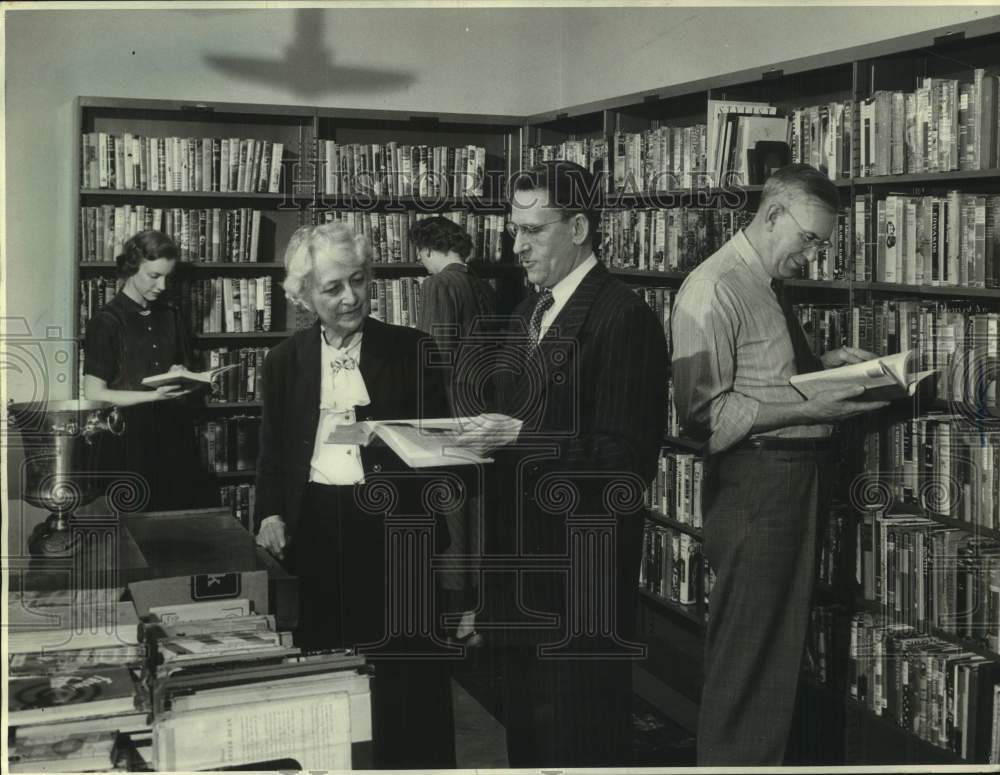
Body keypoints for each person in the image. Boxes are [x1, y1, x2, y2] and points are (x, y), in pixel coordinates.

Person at [670, 163, 888, 765]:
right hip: (756, 485)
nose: (813, 256)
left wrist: (825, 362)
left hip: (786, 481)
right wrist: (809, 400)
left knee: (773, 650)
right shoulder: (714, 287)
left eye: (822, 244)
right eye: (809, 240)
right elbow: (703, 415)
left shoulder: (763, 285)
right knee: (750, 654)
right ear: (771, 216)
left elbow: (764, 377)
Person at [468, 160, 669, 767]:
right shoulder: (528, 312)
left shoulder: (622, 315)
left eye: (533, 230)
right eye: (513, 230)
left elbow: (625, 461)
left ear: (579, 227)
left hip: (579, 574)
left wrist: (519, 436)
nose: (517, 246)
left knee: (579, 735)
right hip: (520, 566)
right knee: (527, 735)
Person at [253, 222, 457, 769]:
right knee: (326, 672)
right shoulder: (282, 363)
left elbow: (439, 454)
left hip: (396, 532)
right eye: (333, 288)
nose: (350, 298)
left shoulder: (413, 350)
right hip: (316, 529)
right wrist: (271, 513)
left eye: (359, 281)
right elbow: (272, 456)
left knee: (407, 677)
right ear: (304, 296)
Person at [410, 215, 497, 641]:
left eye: (420, 254)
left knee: (450, 521)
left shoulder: (439, 285)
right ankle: (477, 614)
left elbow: (432, 355)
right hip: (484, 414)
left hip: (447, 415)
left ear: (427, 249)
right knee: (479, 519)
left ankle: (450, 618)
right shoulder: (484, 286)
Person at [83, 230, 209, 511]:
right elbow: (93, 393)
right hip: (128, 442)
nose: (163, 286)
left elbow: (181, 369)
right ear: (131, 268)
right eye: (154, 276)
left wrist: (182, 373)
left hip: (174, 437)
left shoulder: (171, 315)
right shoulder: (106, 321)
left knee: (177, 525)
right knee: (135, 531)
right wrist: (153, 397)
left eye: (168, 276)